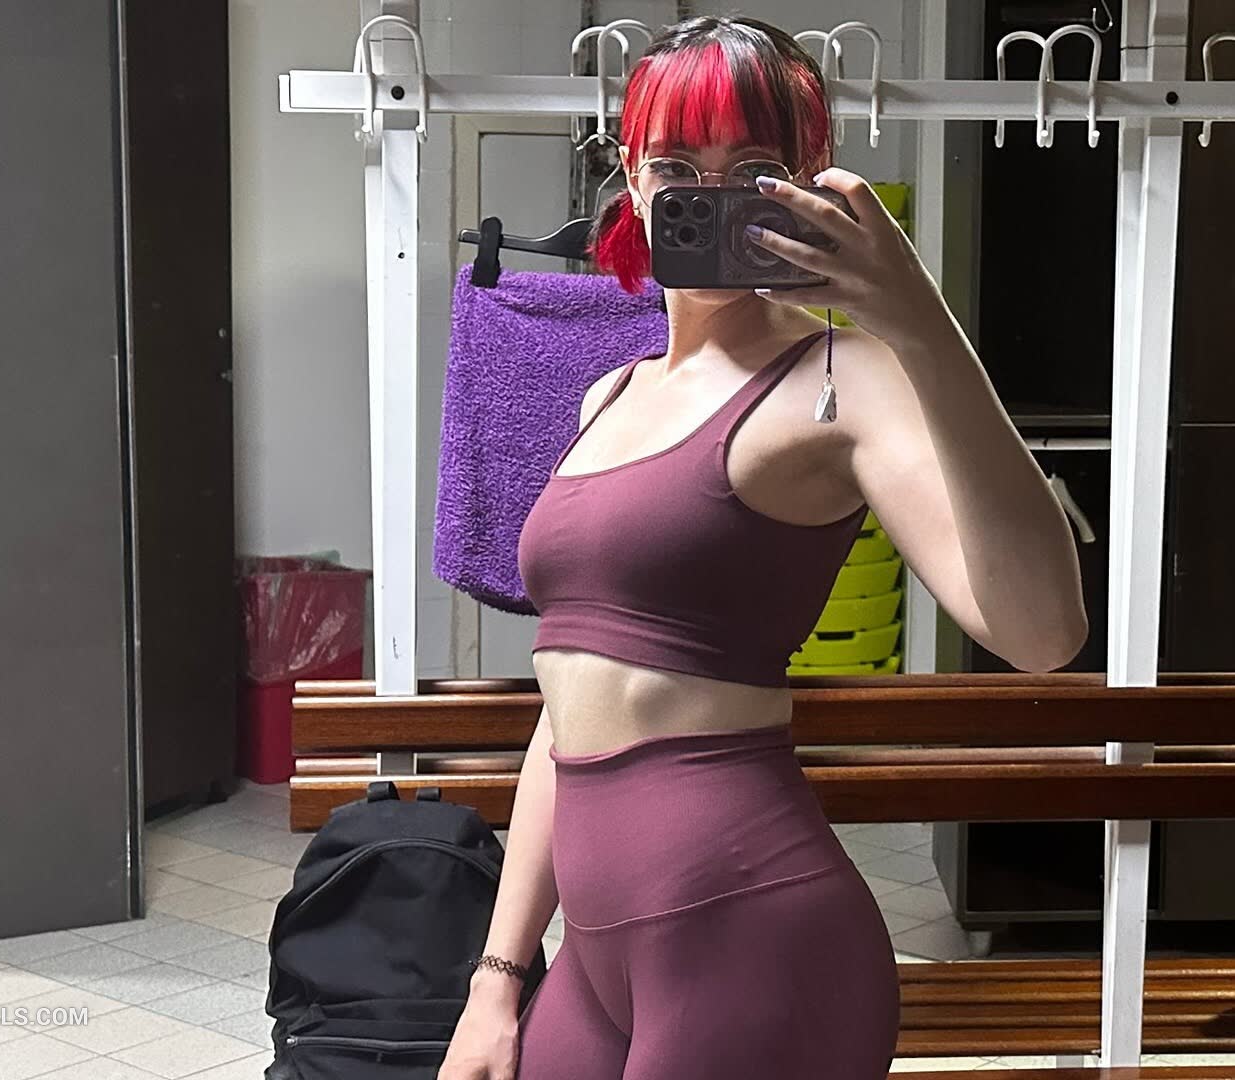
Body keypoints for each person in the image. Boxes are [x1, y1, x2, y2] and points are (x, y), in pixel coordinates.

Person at [437, 14, 1088, 1080]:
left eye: (753, 170)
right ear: (632, 181)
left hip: (751, 935)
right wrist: (497, 979)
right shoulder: (609, 394)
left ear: (808, 180)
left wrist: (917, 321)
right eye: (675, 166)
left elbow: (1041, 635)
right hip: (592, 961)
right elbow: (567, 708)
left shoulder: (846, 377)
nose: (712, 195)